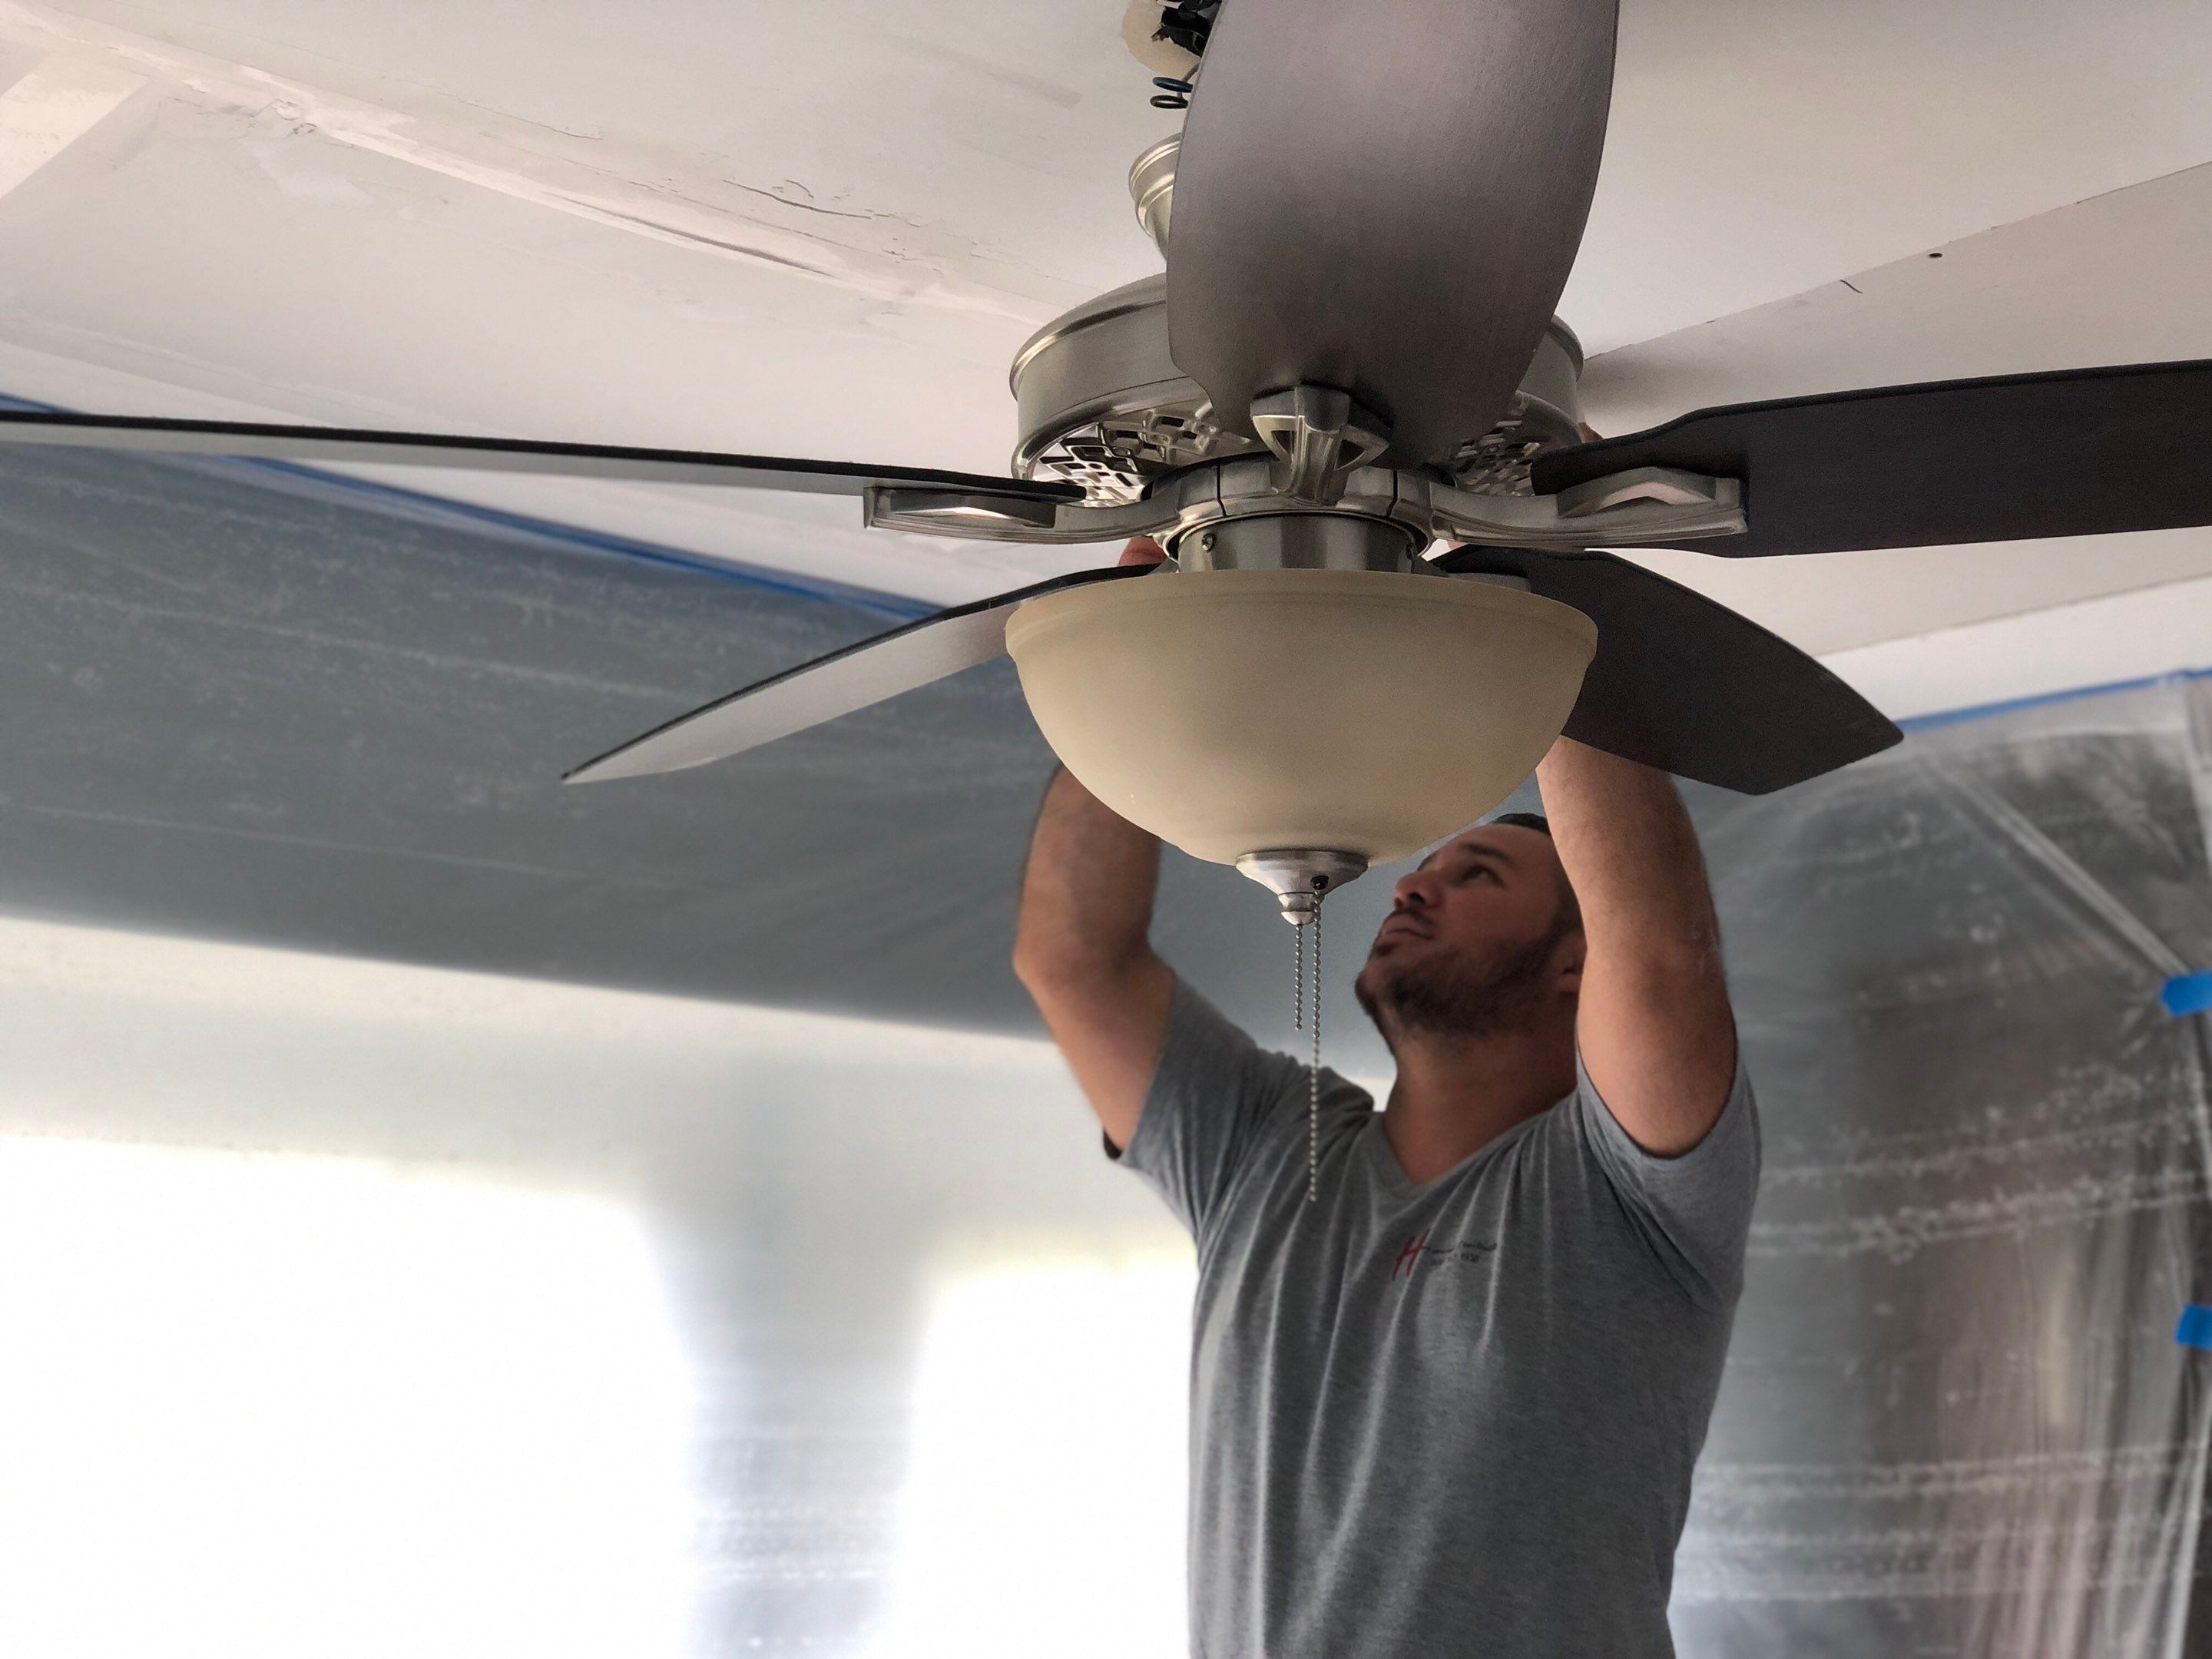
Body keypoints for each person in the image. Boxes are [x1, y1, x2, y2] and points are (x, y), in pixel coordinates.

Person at [1012, 541, 1757, 1659]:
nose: (1411, 881)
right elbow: (1074, 959)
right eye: (1432, 867)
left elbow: (1657, 956)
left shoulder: (1623, 1190)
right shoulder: (1267, 1153)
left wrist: (1537, 608)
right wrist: (1135, 657)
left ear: (1575, 964)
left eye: (1478, 879)